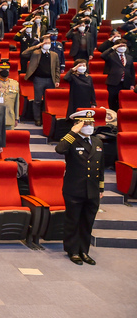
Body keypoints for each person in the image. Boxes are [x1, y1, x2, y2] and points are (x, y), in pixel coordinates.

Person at [55, 110, 103, 265]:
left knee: (88, 221)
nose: (89, 127)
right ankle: (73, 250)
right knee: (73, 221)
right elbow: (59, 149)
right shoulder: (71, 141)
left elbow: (100, 166)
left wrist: (101, 188)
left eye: (91, 123)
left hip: (92, 190)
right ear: (78, 125)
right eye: (85, 123)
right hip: (74, 189)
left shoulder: (97, 142)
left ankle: (84, 251)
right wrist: (72, 132)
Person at [24, 36, 60, 126]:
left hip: (50, 80)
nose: (47, 45)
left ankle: (46, 119)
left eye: (49, 43)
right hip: (39, 79)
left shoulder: (54, 54)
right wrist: (36, 46)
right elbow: (24, 53)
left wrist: (57, 80)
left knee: (48, 101)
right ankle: (37, 119)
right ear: (41, 44)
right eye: (45, 43)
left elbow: (57, 68)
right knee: (37, 101)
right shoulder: (36, 53)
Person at [101, 40, 135, 111]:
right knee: (112, 101)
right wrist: (113, 47)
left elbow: (132, 71)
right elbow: (103, 55)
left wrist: (132, 84)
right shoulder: (111, 55)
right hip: (113, 82)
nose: (122, 47)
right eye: (120, 46)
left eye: (124, 46)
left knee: (124, 101)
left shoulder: (129, 57)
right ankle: (114, 116)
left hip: (126, 83)